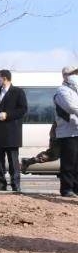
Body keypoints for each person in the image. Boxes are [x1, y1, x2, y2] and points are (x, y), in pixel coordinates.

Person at [0, 69, 27, 193]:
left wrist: (7, 115)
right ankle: (1, 183)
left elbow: (22, 109)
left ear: (5, 78)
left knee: (13, 160)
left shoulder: (18, 92)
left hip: (11, 132)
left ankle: (15, 184)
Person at [53, 65, 78, 197]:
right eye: (73, 73)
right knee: (69, 162)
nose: (75, 75)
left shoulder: (76, 89)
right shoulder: (62, 91)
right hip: (68, 132)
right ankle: (67, 188)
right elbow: (72, 107)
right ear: (65, 76)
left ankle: (76, 188)